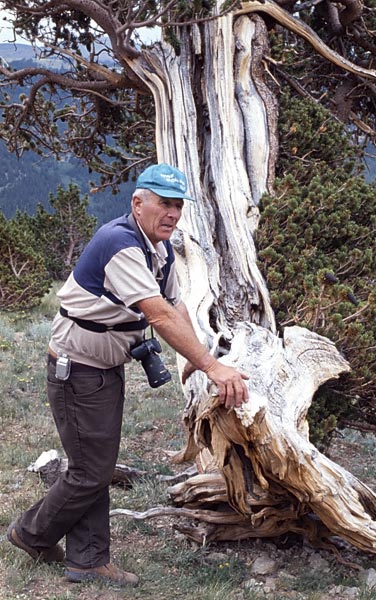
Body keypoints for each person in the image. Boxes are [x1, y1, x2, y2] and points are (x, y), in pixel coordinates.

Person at [7, 163, 249, 587]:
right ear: (138, 203)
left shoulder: (160, 249)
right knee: (90, 471)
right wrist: (213, 366)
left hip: (101, 368)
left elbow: (174, 308)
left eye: (177, 206)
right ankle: (32, 533)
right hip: (77, 369)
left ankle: (87, 559)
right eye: (164, 204)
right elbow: (156, 314)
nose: (172, 214)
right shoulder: (119, 243)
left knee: (93, 465)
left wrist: (196, 355)